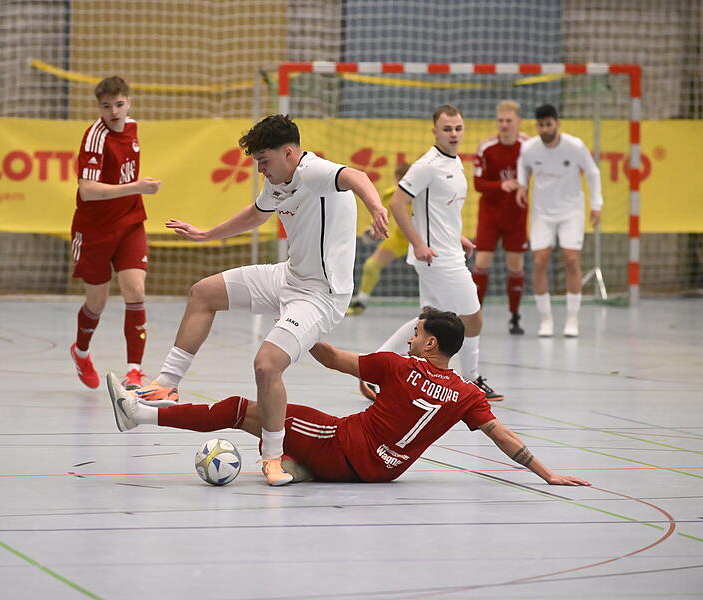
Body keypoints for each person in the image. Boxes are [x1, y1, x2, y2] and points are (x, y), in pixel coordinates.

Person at [133, 114, 388, 486]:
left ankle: (273, 458)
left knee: (267, 366)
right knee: (203, 293)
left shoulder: (315, 171)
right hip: (289, 276)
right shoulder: (278, 180)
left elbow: (356, 177)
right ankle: (167, 384)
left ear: (289, 153)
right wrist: (206, 235)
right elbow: (256, 214)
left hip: (321, 296)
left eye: (264, 162)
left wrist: (376, 207)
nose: (260, 171)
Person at [108, 307, 590, 487]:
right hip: (387, 469)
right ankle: (301, 466)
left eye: (415, 332)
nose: (408, 339)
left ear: (429, 345)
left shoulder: (399, 367)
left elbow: (332, 358)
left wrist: (296, 324)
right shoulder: (466, 393)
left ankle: (140, 415)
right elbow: (501, 435)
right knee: (292, 425)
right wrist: (547, 474)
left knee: (247, 410)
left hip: (348, 446)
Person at [360, 105, 502, 402]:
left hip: (448, 249)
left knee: (427, 320)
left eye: (458, 128)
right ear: (435, 131)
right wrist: (418, 243)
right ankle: (472, 379)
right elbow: (398, 204)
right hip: (437, 258)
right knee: (472, 318)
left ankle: (370, 369)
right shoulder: (427, 165)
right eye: (447, 128)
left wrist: (457, 236)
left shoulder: (456, 163)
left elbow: (441, 211)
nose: (453, 134)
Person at [69, 76, 162, 391]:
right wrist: (137, 187)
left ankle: (134, 372)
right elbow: (88, 189)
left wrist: (133, 194)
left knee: (135, 290)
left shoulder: (132, 128)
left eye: (119, 104)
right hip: (94, 229)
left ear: (129, 103)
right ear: (99, 107)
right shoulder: (95, 138)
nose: (114, 111)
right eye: (106, 106)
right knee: (97, 301)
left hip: (130, 222)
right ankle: (81, 352)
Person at [516, 104, 603, 337]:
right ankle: (546, 320)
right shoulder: (529, 148)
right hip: (542, 212)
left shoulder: (574, 146)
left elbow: (593, 173)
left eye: (549, 124)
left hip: (571, 211)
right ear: (537, 126)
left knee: (571, 259)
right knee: (539, 260)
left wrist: (596, 205)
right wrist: (522, 185)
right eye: (541, 125)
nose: (545, 129)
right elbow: (522, 167)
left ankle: (572, 319)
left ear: (557, 123)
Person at [471, 100, 529, 335]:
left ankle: (515, 316)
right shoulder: (486, 148)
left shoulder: (529, 146)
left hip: (516, 214)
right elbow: (478, 183)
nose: (504, 125)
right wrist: (500, 185)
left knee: (515, 265)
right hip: (491, 214)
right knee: (482, 261)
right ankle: (474, 315)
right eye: (501, 121)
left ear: (518, 122)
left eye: (509, 121)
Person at [347, 162, 411, 316]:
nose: (402, 184)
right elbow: (381, 216)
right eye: (399, 180)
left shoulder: (424, 195)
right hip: (401, 239)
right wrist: (372, 230)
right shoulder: (391, 195)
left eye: (406, 179)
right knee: (371, 265)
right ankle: (361, 302)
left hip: (424, 240)